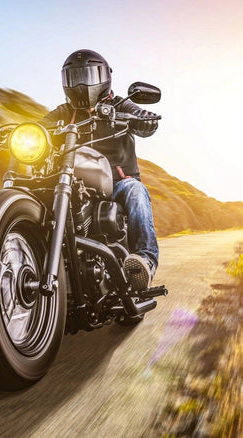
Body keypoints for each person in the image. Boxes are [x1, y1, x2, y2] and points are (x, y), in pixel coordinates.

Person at [41, 49, 160, 290]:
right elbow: (39, 126)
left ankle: (145, 262)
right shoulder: (64, 113)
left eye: (89, 75)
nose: (82, 84)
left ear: (104, 77)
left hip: (118, 182)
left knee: (136, 191)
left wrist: (141, 118)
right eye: (75, 78)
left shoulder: (120, 104)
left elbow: (147, 122)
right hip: (76, 184)